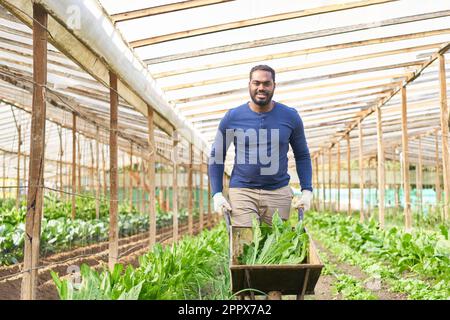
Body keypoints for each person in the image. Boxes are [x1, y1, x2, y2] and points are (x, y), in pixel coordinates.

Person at [208, 65, 313, 226]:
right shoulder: (233, 117)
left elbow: (302, 155)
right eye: (256, 83)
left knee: (276, 246)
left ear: (274, 86)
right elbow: (217, 155)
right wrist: (217, 193)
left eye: (266, 83)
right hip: (242, 191)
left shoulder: (290, 116)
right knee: (245, 243)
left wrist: (307, 190)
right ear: (249, 85)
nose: (261, 88)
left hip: (278, 192)